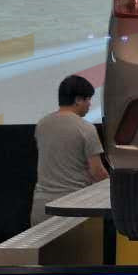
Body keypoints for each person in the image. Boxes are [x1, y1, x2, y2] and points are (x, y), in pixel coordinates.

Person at [29, 74, 108, 227]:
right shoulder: (86, 129)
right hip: (73, 209)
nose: (90, 104)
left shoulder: (42, 125)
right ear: (77, 100)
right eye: (88, 99)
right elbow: (97, 172)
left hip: (41, 207)